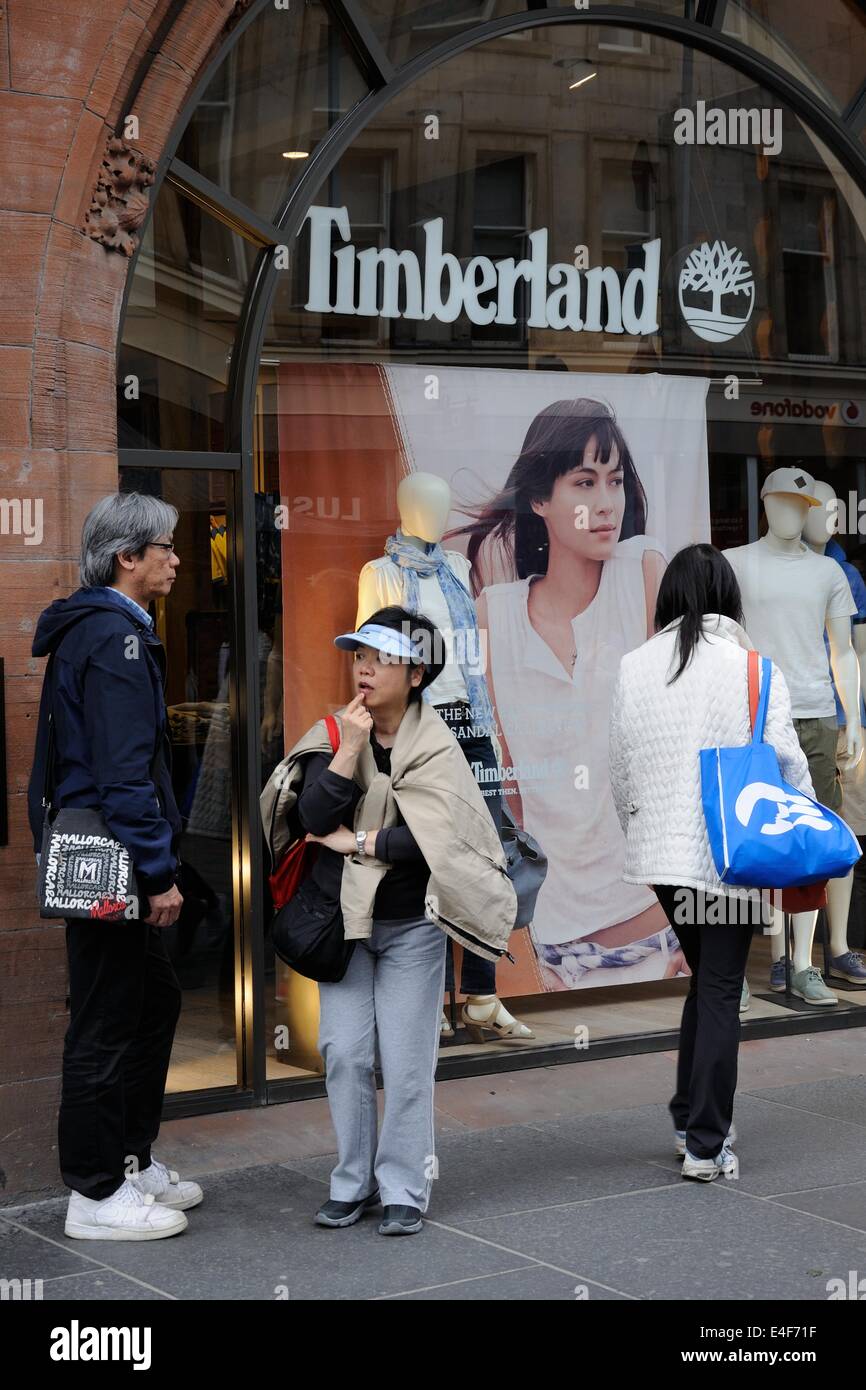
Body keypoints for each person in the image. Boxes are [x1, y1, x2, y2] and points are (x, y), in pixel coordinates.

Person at [268, 605, 516, 1235]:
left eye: (379, 657)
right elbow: (314, 820)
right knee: (345, 1054)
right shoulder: (333, 735)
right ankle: (352, 1182)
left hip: (411, 926)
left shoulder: (438, 748)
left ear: (416, 672)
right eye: (359, 656)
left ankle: (404, 1182)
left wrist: (363, 844)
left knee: (406, 1061)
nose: (365, 668)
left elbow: (443, 841)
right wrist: (351, 750)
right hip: (343, 928)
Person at [452, 397, 680, 989]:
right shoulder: (492, 617)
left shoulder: (644, 573)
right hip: (550, 951)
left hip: (659, 933)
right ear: (538, 500)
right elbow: (509, 793)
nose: (607, 503)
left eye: (615, 480)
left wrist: (700, 924)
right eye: (584, 482)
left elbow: (682, 752)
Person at [608, 543, 814, 1181]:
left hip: (665, 860)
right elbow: (786, 762)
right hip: (733, 854)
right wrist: (804, 825)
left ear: (669, 597)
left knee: (707, 980)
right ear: (729, 597)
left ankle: (686, 1114)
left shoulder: (633, 666)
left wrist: (642, 834)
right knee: (723, 986)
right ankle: (705, 1143)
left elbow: (620, 769)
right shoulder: (753, 668)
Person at [27, 493, 202, 1240]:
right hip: (111, 859)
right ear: (127, 557)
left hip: (106, 852)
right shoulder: (115, 640)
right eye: (163, 546)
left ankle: (130, 1158)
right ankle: (94, 1195)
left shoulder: (106, 631)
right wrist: (160, 872)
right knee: (103, 1022)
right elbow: (123, 774)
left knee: (151, 1003)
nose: (175, 558)